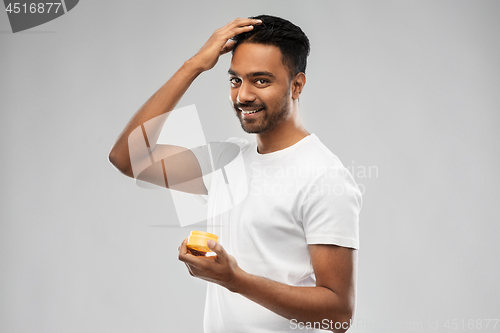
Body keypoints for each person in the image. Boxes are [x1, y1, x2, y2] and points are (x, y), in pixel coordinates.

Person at [108, 15, 362, 333]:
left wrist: (234, 280)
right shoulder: (227, 162)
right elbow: (127, 158)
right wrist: (193, 66)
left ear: (296, 85)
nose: (242, 96)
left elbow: (338, 316)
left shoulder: (324, 178)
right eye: (235, 80)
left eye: (261, 80)